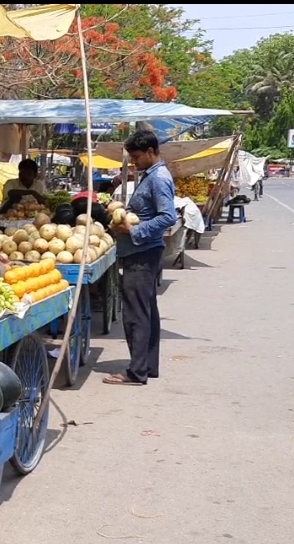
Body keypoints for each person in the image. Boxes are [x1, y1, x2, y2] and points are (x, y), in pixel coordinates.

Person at [104, 129, 178, 386]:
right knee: (147, 311)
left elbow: (169, 217)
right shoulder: (151, 176)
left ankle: (136, 372)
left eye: (136, 157)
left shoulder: (158, 179)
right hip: (141, 250)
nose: (134, 162)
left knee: (135, 313)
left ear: (150, 152)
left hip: (142, 252)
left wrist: (133, 229)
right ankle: (147, 366)